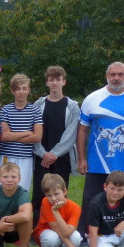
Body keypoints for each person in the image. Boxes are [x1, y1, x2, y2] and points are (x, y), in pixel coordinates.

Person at [76, 62, 124, 238]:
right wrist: (81, 158)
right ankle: (85, 236)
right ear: (107, 76)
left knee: (123, 204)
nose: (116, 78)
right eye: (113, 74)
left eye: (120, 74)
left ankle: (118, 237)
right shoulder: (92, 98)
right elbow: (82, 130)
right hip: (97, 164)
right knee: (91, 201)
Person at [31, 66, 80, 224]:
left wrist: (53, 154)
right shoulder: (38, 104)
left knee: (59, 195)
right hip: (41, 157)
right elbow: (34, 130)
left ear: (64, 81)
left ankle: (60, 228)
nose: (54, 83)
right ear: (47, 82)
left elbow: (70, 134)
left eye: (58, 79)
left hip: (61, 158)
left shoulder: (72, 106)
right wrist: (43, 154)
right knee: (39, 194)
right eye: (51, 80)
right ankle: (37, 228)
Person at [0, 73, 43, 193]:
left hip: (25, 157)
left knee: (22, 190)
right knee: (4, 190)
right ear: (12, 91)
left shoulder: (35, 110)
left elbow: (37, 137)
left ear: (29, 90)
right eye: (18, 89)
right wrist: (27, 132)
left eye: (24, 88)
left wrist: (13, 135)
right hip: (7, 155)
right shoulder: (6, 110)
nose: (21, 92)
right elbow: (4, 136)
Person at [33, 173, 82, 247]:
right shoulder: (45, 202)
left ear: (65, 191)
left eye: (56, 194)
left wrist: (55, 212)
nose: (53, 198)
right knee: (51, 238)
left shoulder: (75, 207)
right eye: (49, 195)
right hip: (46, 233)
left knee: (76, 236)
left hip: (63, 233)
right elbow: (56, 229)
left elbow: (67, 232)